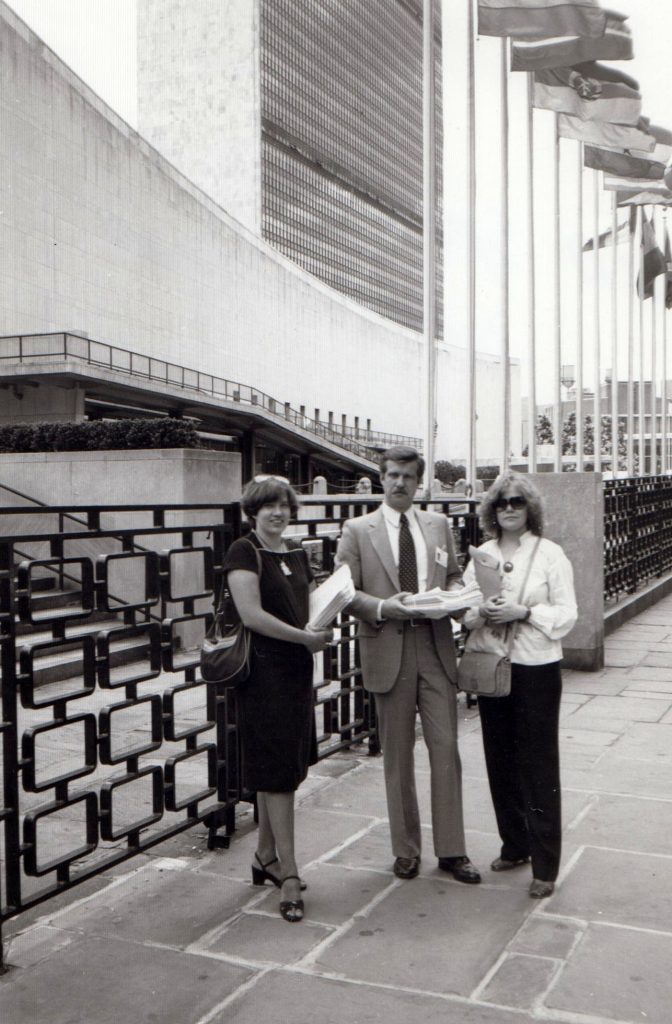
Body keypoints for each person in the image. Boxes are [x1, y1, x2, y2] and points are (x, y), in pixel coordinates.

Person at [336, 446, 481, 883]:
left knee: (446, 748)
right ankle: (406, 850)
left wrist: (455, 595)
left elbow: (453, 574)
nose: (400, 483)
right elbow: (345, 592)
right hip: (388, 646)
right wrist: (384, 607)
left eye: (408, 477)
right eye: (393, 475)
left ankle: (452, 850)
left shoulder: (437, 525)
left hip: (435, 645)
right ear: (381, 478)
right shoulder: (357, 530)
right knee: (397, 755)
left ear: (420, 483)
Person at [462, 470, 577, 899]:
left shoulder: (549, 553)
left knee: (539, 763)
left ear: (531, 509)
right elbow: (464, 608)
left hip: (536, 668)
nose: (509, 508)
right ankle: (514, 844)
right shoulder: (483, 554)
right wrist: (479, 612)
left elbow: (567, 613)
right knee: (500, 758)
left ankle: (545, 864)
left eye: (517, 501)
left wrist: (524, 613)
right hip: (493, 664)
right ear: (491, 510)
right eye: (501, 502)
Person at [222, 475, 333, 923]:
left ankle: (265, 855)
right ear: (253, 510)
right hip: (264, 673)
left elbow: (306, 605)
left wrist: (325, 617)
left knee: (283, 768)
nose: (277, 512)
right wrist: (304, 638)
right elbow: (251, 615)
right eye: (268, 505)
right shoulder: (243, 551)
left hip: (295, 671)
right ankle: (288, 872)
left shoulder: (295, 552)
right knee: (277, 772)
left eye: (284, 505)